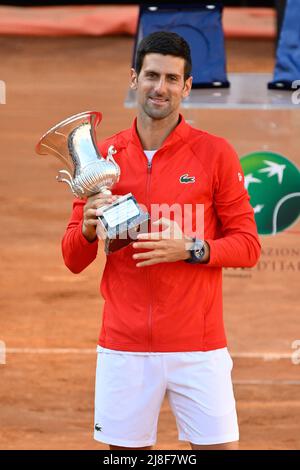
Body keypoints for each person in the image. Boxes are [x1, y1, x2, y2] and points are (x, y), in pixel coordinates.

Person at [62, 31, 261, 451]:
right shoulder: (102, 159)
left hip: (199, 346)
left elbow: (247, 246)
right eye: (152, 75)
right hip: (125, 346)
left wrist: (191, 248)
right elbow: (73, 260)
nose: (161, 87)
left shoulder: (215, 154)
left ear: (187, 87)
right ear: (134, 78)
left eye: (173, 79)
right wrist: (86, 229)